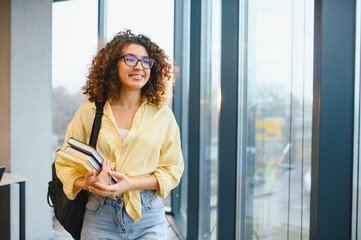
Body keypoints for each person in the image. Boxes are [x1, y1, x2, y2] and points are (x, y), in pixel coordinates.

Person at [55, 30, 184, 239]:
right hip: (99, 216)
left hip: (148, 216)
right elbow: (65, 165)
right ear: (113, 64)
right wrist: (86, 182)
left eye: (145, 61)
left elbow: (172, 171)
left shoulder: (163, 115)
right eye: (130, 59)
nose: (139, 67)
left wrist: (131, 184)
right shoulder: (89, 112)